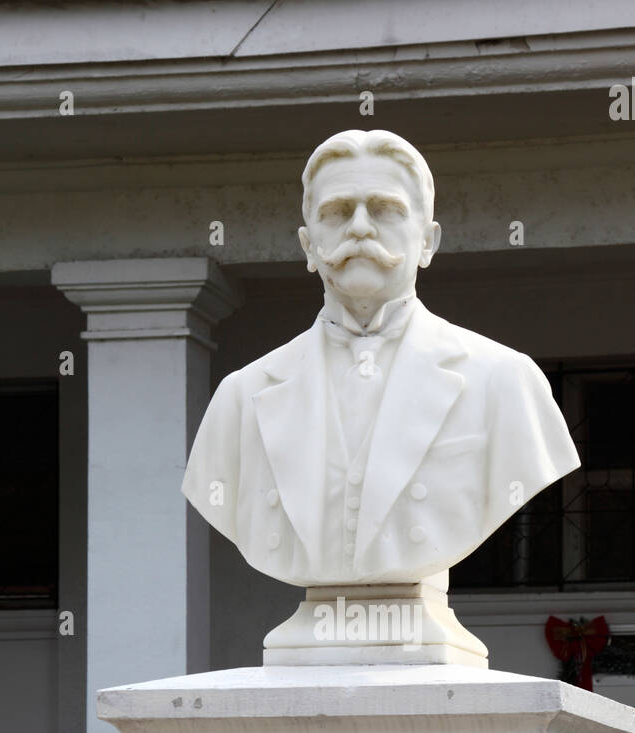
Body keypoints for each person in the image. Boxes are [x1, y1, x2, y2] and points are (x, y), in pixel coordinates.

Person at [182, 129, 579, 589]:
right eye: (338, 212)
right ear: (308, 246)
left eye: (386, 209)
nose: (360, 228)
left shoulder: (507, 381)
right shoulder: (241, 397)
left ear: (428, 242)